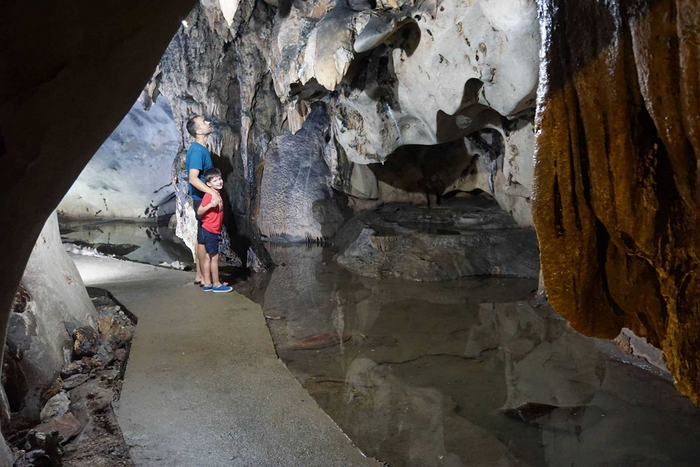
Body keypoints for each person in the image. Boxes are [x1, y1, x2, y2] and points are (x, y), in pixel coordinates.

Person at [185, 115, 223, 286]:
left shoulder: (201, 148)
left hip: (203, 198)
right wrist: (212, 193)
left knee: (201, 237)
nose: (208, 122)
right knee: (202, 239)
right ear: (198, 131)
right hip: (201, 199)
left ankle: (200, 275)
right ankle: (204, 278)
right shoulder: (197, 151)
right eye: (204, 122)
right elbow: (193, 178)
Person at [197, 168, 233, 293]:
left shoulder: (216, 193)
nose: (219, 182)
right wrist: (210, 205)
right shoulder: (210, 195)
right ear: (208, 184)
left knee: (208, 257)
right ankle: (216, 285)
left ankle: (207, 283)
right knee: (214, 257)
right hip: (210, 230)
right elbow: (199, 211)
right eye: (215, 180)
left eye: (220, 179)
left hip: (211, 230)